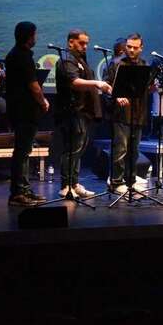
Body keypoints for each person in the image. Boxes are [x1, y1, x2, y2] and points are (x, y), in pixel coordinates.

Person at [55, 29, 112, 199]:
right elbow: (74, 82)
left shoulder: (80, 60)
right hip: (72, 112)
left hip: (83, 112)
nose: (85, 46)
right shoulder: (66, 60)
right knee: (72, 149)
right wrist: (97, 83)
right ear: (70, 42)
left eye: (86, 43)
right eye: (81, 43)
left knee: (78, 149)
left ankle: (74, 183)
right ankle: (66, 185)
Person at [5, 22, 50, 206]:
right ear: (29, 36)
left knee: (24, 151)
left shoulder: (17, 54)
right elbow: (33, 86)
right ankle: (17, 193)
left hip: (21, 110)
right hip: (23, 110)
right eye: (35, 35)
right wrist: (43, 101)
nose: (36, 38)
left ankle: (24, 189)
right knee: (22, 152)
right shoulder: (21, 56)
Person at [104, 33, 154, 196]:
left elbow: (144, 88)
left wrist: (152, 87)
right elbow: (106, 87)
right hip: (120, 115)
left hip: (138, 113)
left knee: (134, 150)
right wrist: (116, 96)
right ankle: (116, 181)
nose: (131, 50)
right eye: (129, 47)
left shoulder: (144, 64)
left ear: (141, 48)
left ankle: (130, 180)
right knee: (121, 149)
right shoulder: (115, 64)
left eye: (135, 47)